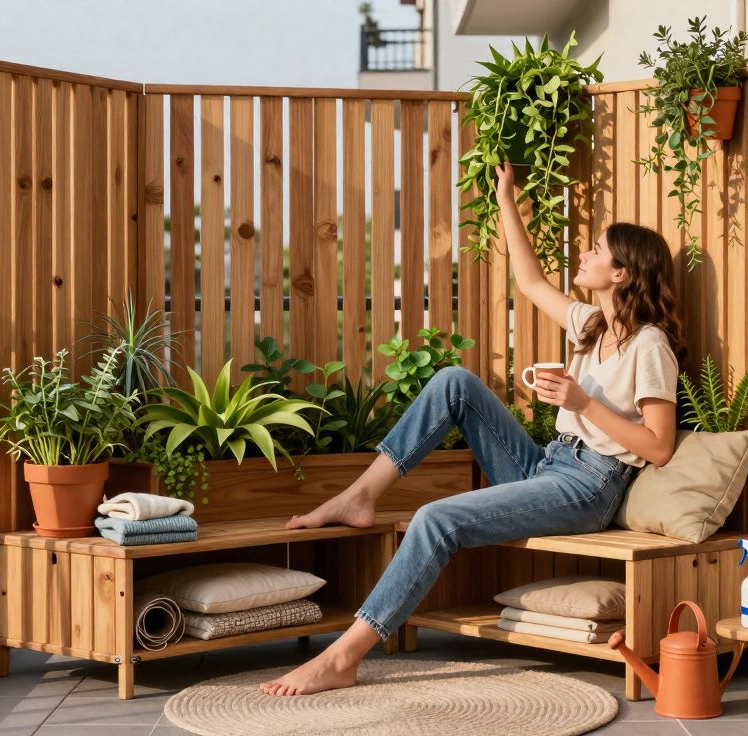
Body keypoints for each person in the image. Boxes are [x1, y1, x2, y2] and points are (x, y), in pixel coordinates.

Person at [260, 163, 687, 696]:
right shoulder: (591, 325)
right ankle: (358, 495)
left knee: (436, 518)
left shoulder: (649, 346)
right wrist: (506, 198)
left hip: (589, 486)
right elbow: (530, 281)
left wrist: (582, 403)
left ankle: (343, 656)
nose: (585, 254)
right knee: (453, 381)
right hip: (550, 463)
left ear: (621, 273)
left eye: (597, 249)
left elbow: (660, 446)